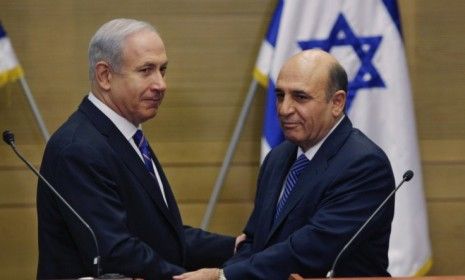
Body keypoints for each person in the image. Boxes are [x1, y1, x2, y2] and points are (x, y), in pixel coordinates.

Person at [36, 18, 239, 280]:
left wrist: (234, 247)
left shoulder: (126, 135)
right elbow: (117, 252)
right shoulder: (78, 149)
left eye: (162, 70)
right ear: (105, 76)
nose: (161, 84)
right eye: (146, 70)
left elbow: (160, 235)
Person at [174, 50, 395, 280]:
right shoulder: (278, 158)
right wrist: (225, 274)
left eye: (300, 97)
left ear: (337, 103)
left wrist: (224, 276)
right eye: (280, 95)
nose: (284, 109)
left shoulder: (364, 164)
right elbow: (254, 242)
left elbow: (311, 250)